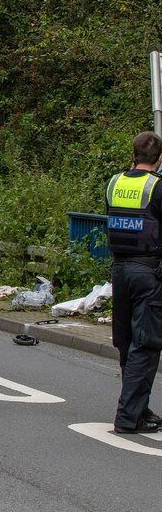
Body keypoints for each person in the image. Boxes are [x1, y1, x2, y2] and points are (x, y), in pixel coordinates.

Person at [105, 131, 162, 434]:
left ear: (134, 155)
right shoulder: (157, 187)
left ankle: (140, 410)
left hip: (120, 270)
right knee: (147, 343)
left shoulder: (114, 183)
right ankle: (128, 417)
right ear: (159, 158)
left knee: (126, 342)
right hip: (148, 272)